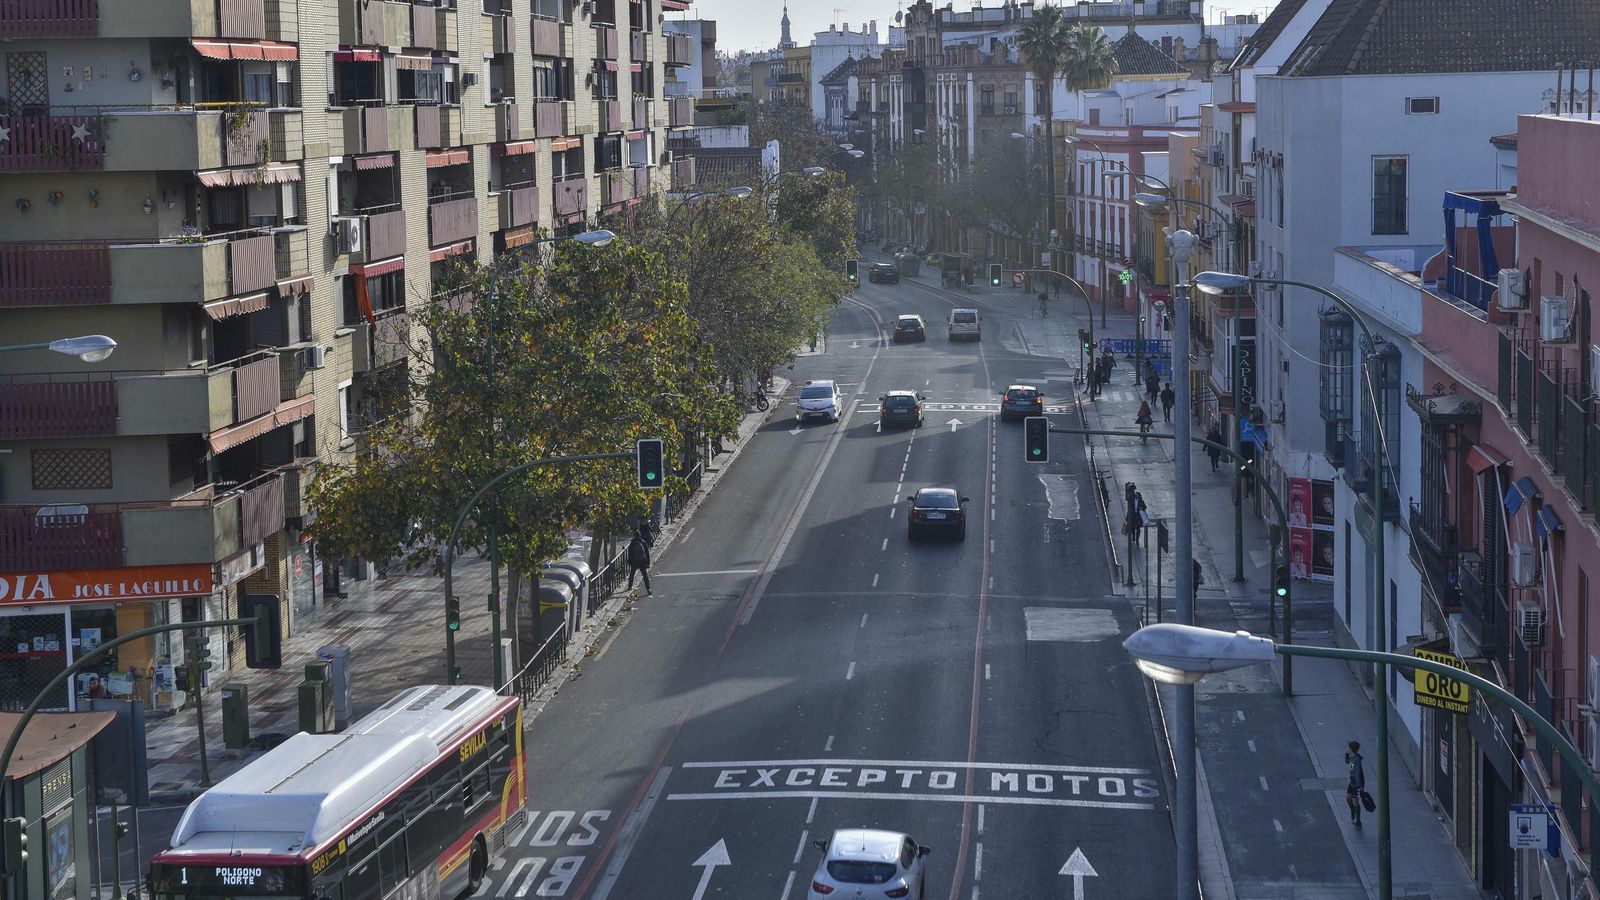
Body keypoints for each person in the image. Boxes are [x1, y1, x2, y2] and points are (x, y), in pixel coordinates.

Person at [1345, 740, 1366, 829]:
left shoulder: (1357, 760)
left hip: (1357, 783)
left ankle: (1358, 821)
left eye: (1348, 748)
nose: (1347, 749)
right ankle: (1353, 811)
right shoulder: (1351, 757)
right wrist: (1346, 754)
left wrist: (1359, 786)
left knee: (1355, 801)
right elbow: (1347, 761)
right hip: (1352, 782)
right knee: (1348, 798)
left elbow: (1357, 773)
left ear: (1351, 749)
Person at [626, 528, 652, 596]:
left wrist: (630, 561)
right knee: (645, 576)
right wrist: (648, 562)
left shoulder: (632, 542)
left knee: (632, 574)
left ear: (634, 535)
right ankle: (648, 589)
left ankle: (629, 586)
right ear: (640, 535)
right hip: (642, 561)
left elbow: (630, 553)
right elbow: (647, 553)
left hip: (634, 561)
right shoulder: (643, 542)